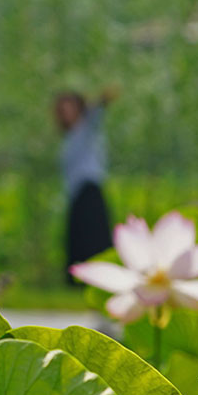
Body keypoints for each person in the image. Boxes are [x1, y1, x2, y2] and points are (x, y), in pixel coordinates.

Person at [55, 87, 117, 283]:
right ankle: (78, 281)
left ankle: (99, 279)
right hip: (76, 194)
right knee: (78, 239)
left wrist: (100, 100)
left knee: (93, 239)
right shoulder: (70, 137)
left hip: (90, 191)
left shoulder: (87, 128)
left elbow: (96, 112)